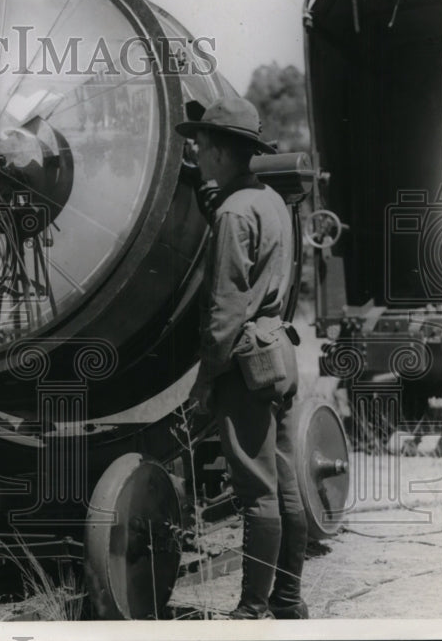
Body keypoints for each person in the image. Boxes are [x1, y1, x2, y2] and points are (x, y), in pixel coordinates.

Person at [178, 98, 309, 620]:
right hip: (278, 356)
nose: (195, 148)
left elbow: (226, 307)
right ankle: (288, 600)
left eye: (202, 143)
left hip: (243, 368)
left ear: (223, 151)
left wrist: (205, 379)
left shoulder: (235, 213)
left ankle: (252, 610)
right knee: (286, 487)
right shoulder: (269, 199)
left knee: (256, 494)